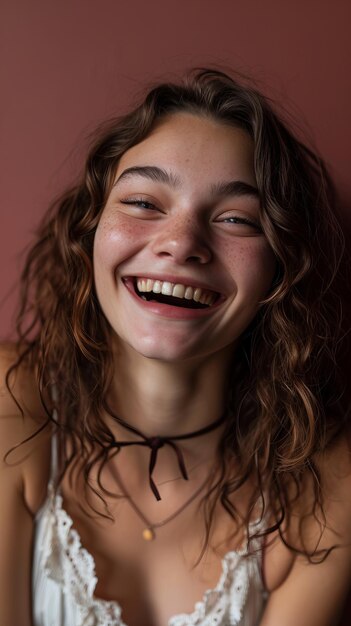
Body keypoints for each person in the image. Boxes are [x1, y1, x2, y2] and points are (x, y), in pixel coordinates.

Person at [1, 68, 350, 626]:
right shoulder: (11, 405)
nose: (182, 243)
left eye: (236, 218)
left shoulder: (327, 484)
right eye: (143, 202)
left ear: (282, 269)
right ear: (91, 230)